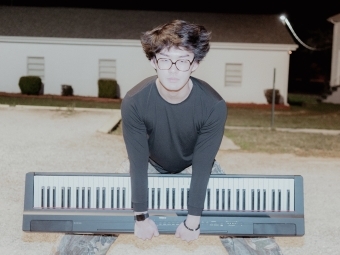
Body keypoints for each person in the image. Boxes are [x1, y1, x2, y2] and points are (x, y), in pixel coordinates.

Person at [55, 19, 282, 255]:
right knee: (102, 207)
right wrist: (141, 216)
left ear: (195, 64)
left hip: (193, 164)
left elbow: (203, 165)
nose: (173, 69)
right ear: (154, 61)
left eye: (183, 60)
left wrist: (192, 221)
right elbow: (138, 162)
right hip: (150, 163)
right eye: (165, 60)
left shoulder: (213, 105)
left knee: (238, 212)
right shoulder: (135, 101)